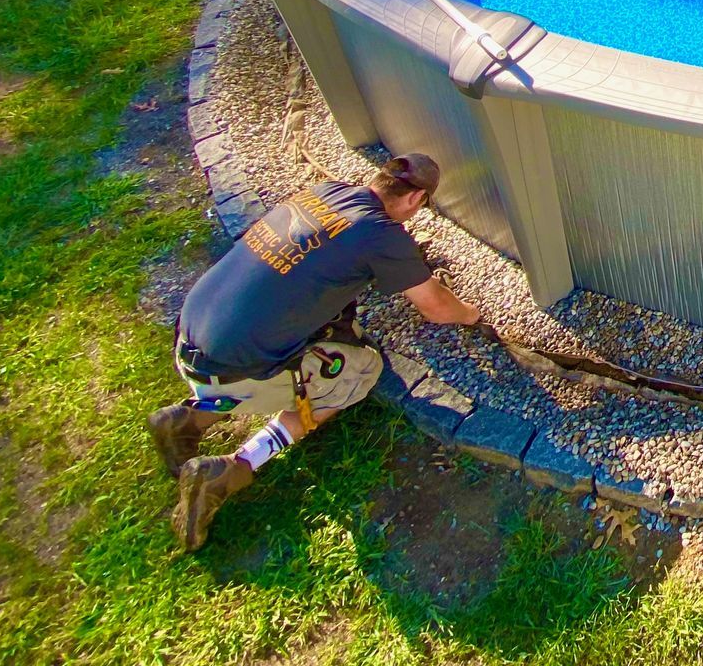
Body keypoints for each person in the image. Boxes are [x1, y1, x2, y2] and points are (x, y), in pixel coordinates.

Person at [148, 153, 483, 550]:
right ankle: (230, 470)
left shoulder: (326, 192)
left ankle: (186, 420)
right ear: (415, 200)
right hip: (232, 368)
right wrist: (470, 314)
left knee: (292, 334)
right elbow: (436, 308)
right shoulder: (382, 234)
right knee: (361, 371)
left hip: (191, 335)